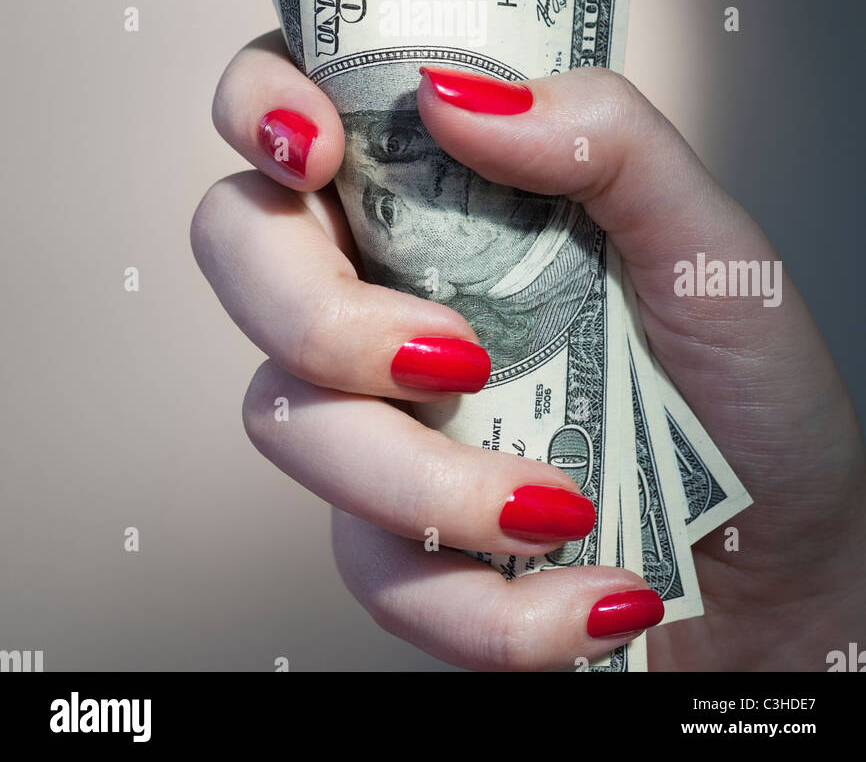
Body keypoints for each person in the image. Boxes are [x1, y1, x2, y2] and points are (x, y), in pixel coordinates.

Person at [191, 34, 866, 671]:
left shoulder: (603, 244)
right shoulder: (473, 328)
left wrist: (812, 606)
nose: (413, 175)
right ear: (435, 279)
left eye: (397, 140)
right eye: (386, 213)